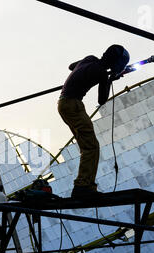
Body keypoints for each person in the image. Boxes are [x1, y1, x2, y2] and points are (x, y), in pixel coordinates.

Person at [58, 44, 129, 198]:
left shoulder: (89, 59)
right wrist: (110, 79)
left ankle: (84, 185)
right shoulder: (101, 73)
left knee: (86, 145)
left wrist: (85, 72)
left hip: (63, 104)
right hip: (73, 104)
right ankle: (83, 186)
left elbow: (72, 66)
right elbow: (102, 100)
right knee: (91, 147)